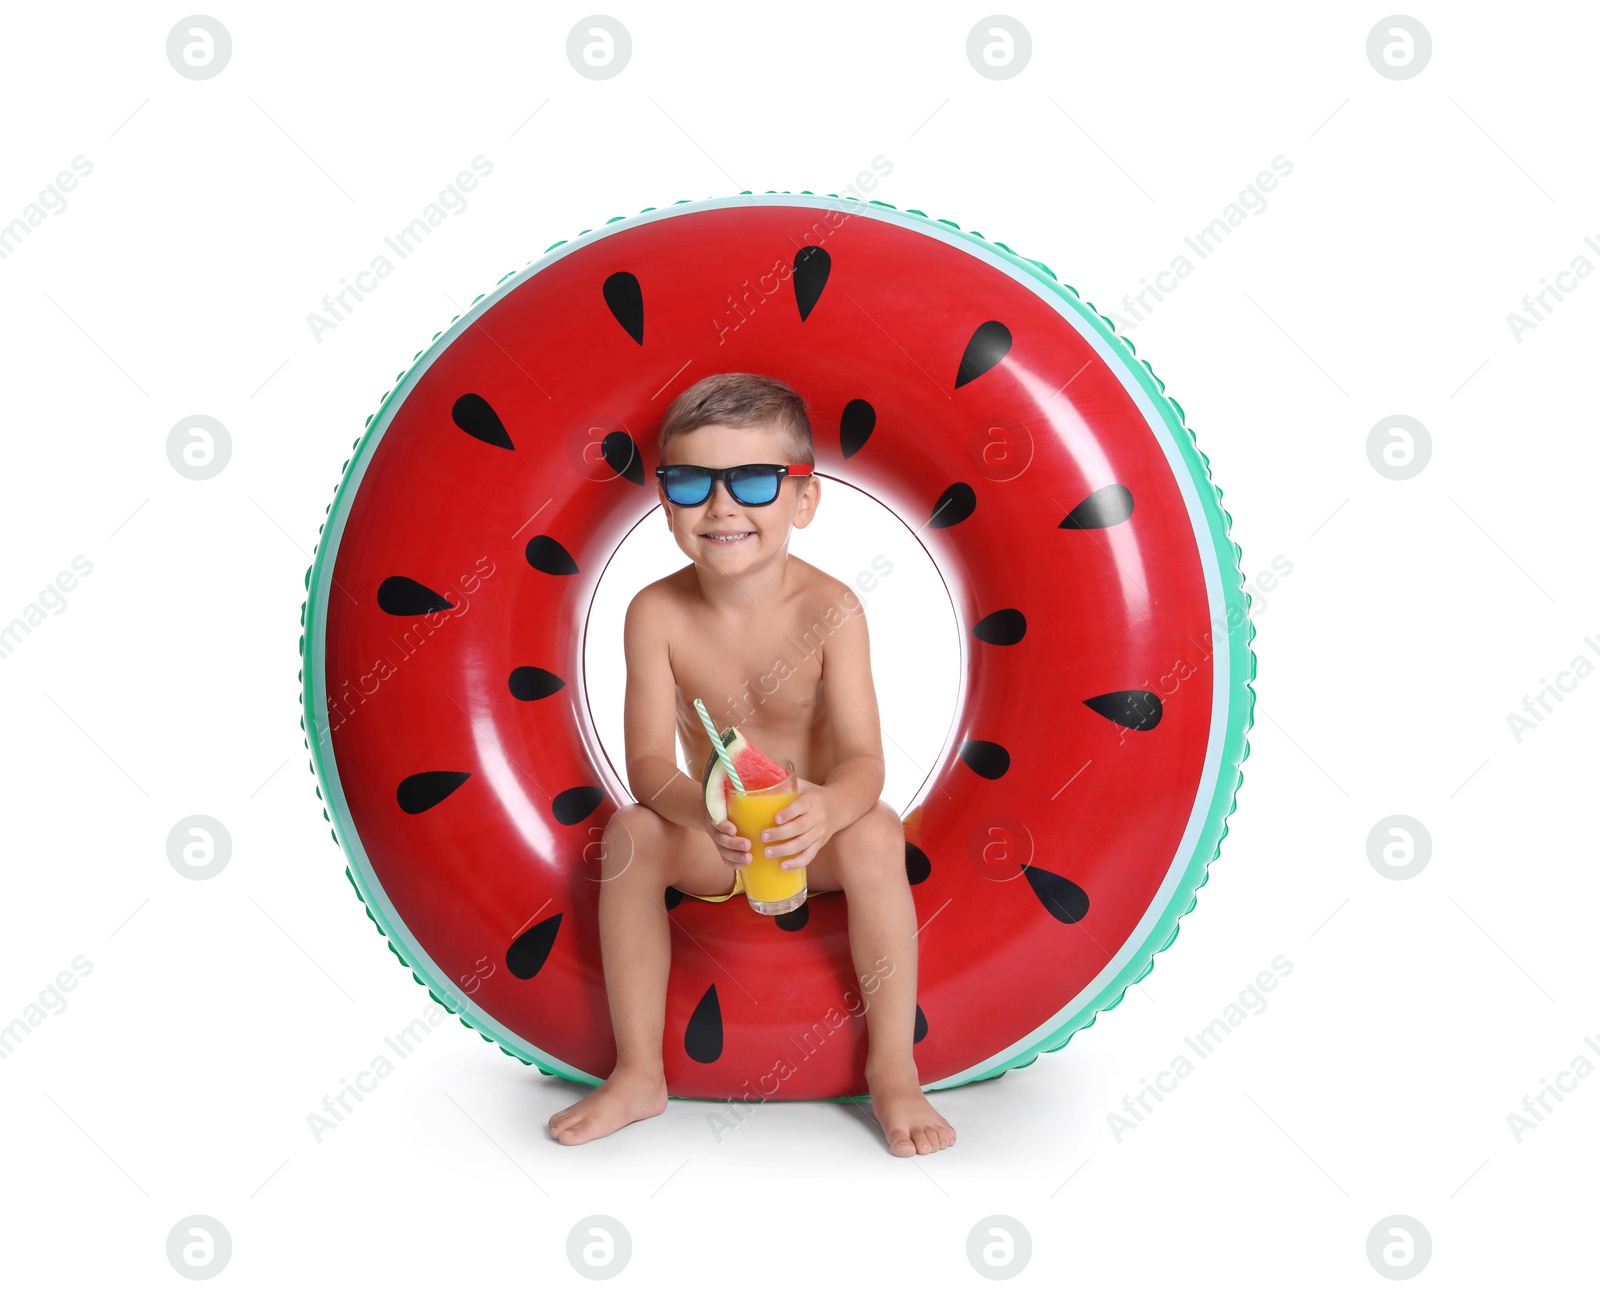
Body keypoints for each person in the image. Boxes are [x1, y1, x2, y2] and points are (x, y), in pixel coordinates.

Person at [547, 372, 956, 1156]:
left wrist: (829, 810)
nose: (722, 507)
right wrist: (704, 814)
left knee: (879, 833)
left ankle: (894, 1071)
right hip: (717, 837)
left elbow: (867, 761)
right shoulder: (655, 613)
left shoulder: (830, 608)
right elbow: (644, 763)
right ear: (664, 502)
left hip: (815, 840)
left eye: (756, 481)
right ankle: (638, 1072)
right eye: (692, 482)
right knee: (632, 831)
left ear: (803, 501)